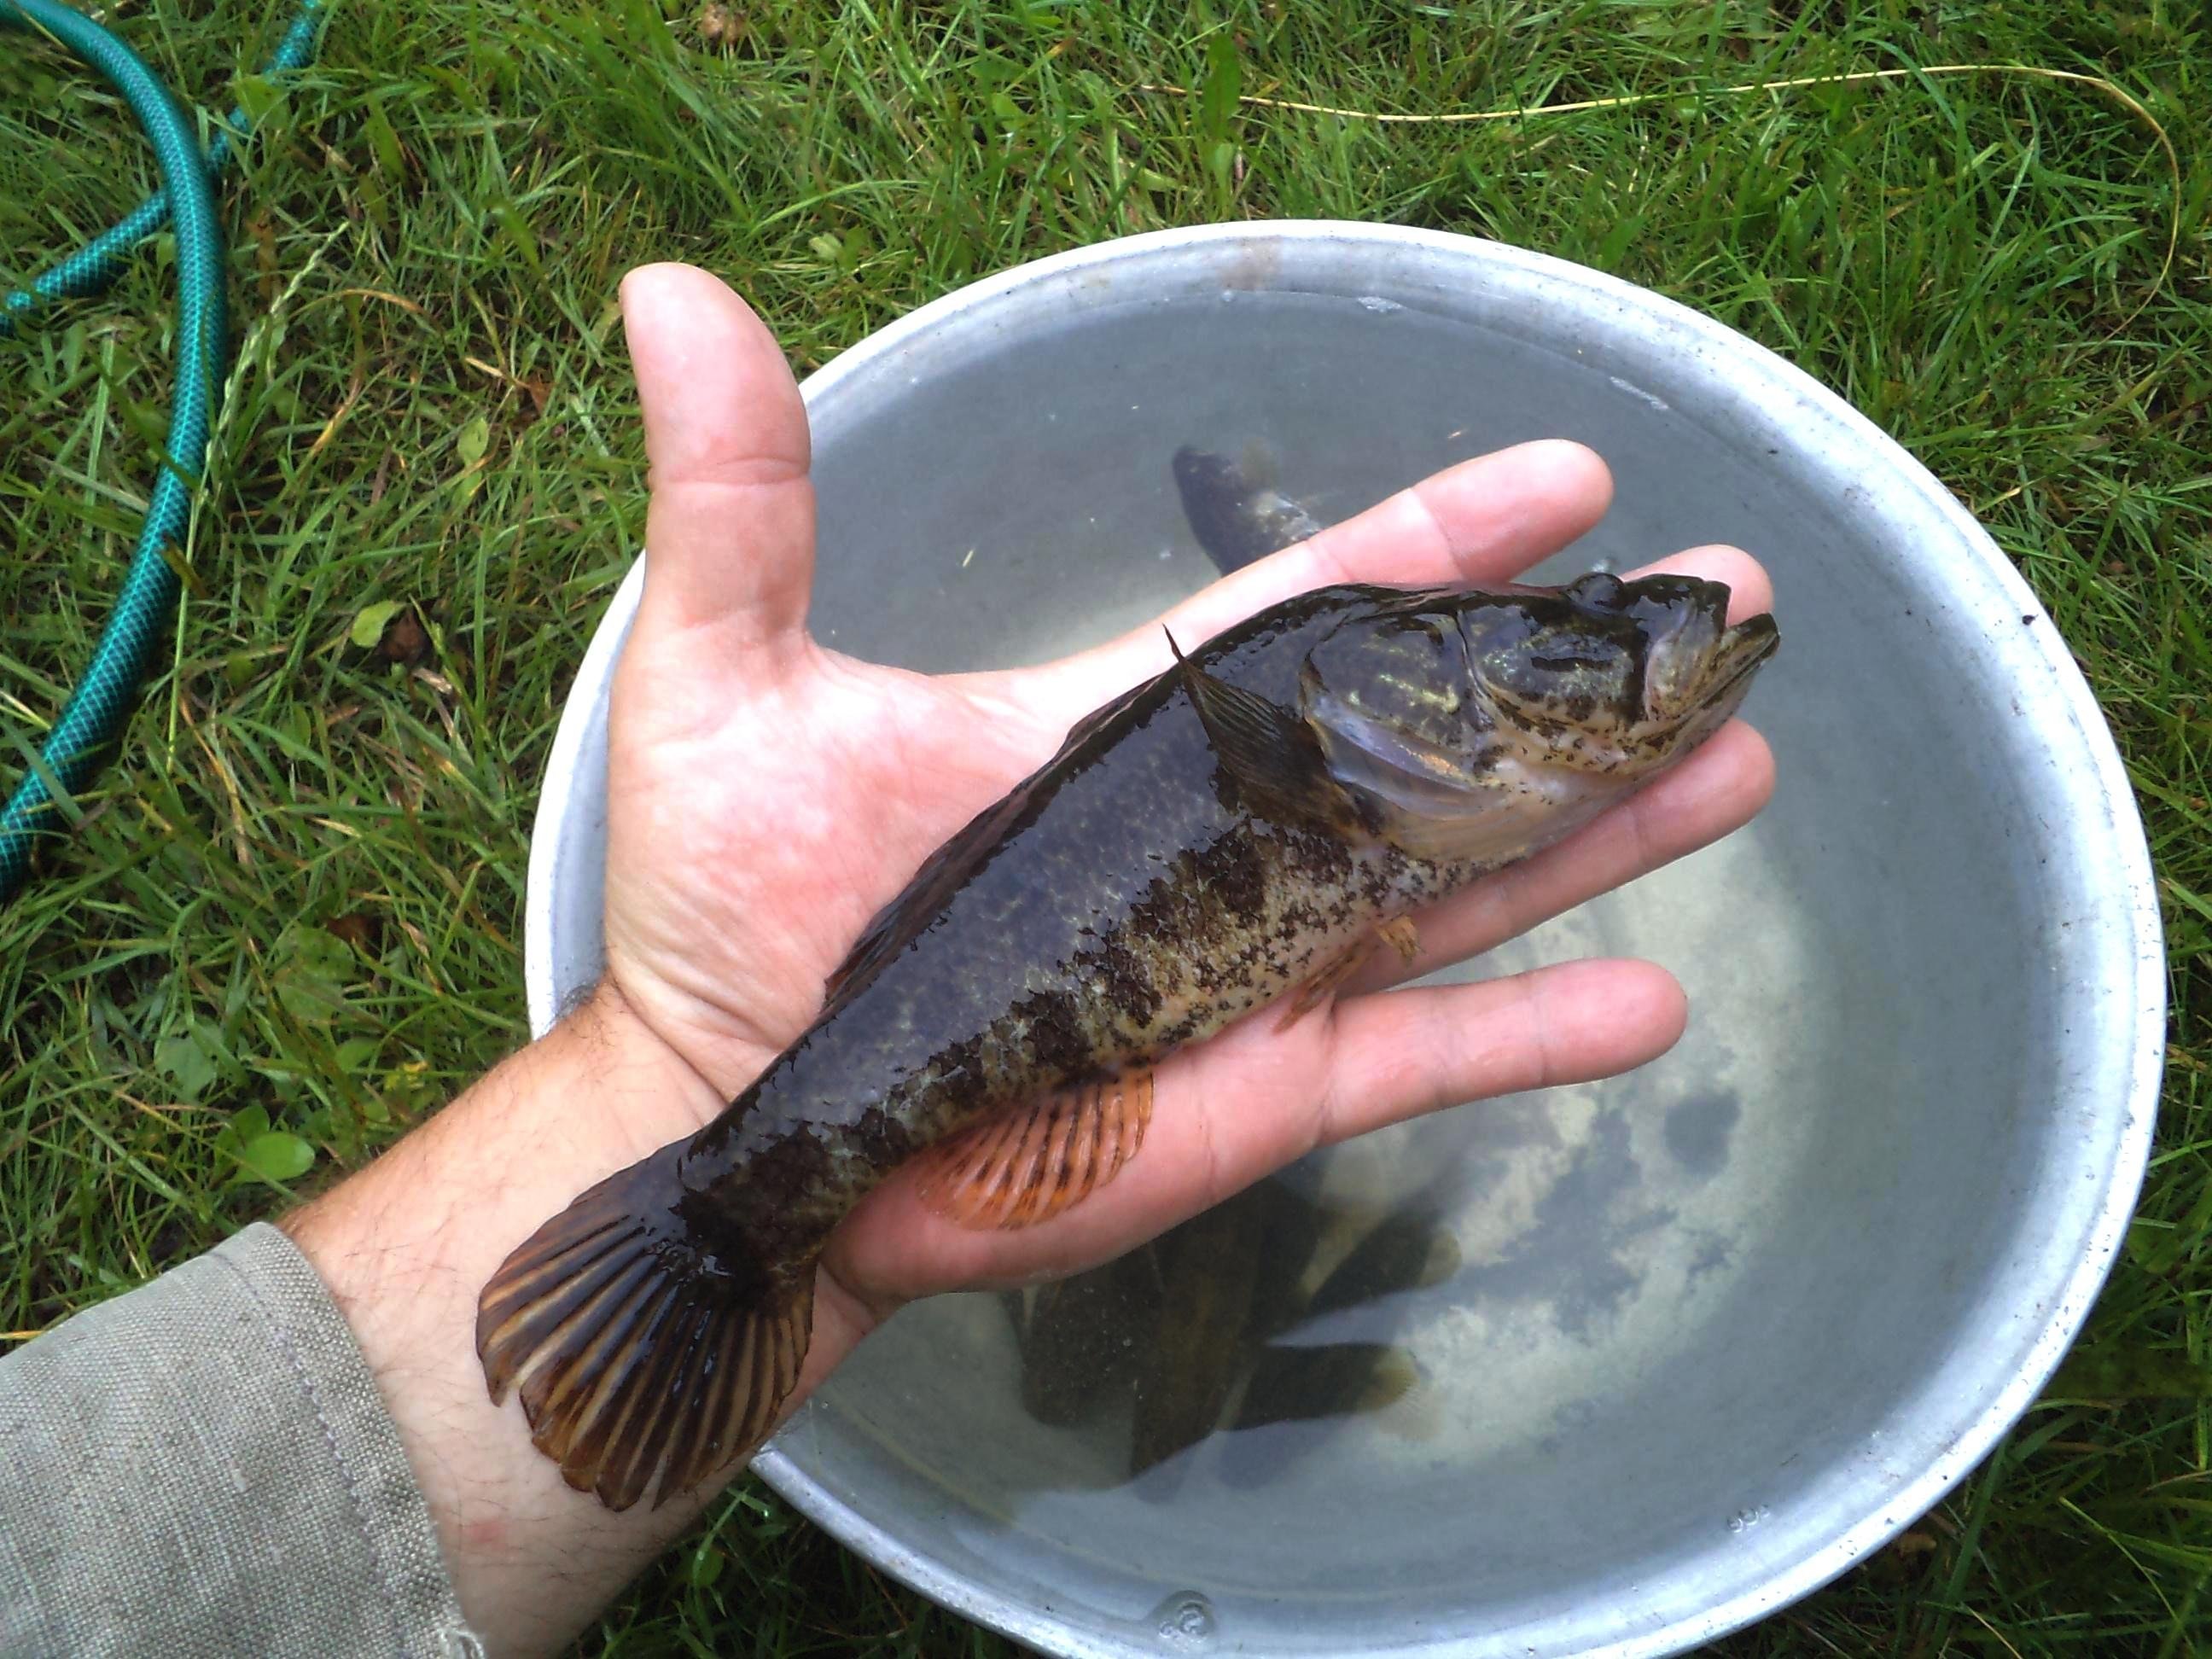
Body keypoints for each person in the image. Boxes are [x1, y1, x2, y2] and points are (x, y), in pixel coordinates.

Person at [0, 264, 1775, 1657]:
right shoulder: (1337, 738)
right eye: (1563, 633)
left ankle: (727, 1184)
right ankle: (725, 1202)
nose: (1607, 644)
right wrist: (693, 1089)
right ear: (1397, 707)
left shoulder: (1364, 749)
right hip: (831, 1117)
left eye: (1583, 631)